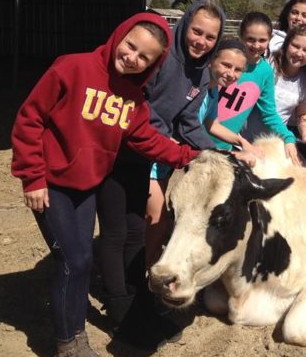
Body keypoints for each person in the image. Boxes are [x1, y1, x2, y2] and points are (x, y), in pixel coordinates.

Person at [11, 13, 199, 357]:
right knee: (73, 260)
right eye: (131, 46)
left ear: (153, 65)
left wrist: (188, 157)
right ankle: (66, 354)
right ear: (119, 36)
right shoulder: (72, 67)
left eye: (144, 57)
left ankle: (77, 342)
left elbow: (146, 138)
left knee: (80, 265)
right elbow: (29, 119)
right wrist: (32, 177)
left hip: (86, 187)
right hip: (52, 184)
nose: (132, 58)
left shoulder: (132, 98)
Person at [95, 37, 256, 339]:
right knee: (157, 221)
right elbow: (176, 123)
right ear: (212, 60)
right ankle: (144, 288)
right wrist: (211, 153)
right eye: (226, 65)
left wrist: (238, 143)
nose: (232, 73)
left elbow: (207, 125)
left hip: (169, 159)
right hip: (155, 154)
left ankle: (136, 285)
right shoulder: (186, 83)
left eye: (238, 69)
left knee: (149, 223)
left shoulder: (212, 90)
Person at [143, 0, 224, 268]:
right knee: (156, 216)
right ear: (185, 25)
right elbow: (139, 100)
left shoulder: (202, 74)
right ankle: (144, 270)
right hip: (142, 145)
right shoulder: (162, 57)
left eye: (210, 37)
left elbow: (189, 120)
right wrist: (159, 133)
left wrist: (215, 153)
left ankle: (144, 269)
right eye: (196, 31)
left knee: (150, 217)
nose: (201, 41)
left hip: (163, 152)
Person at [210, 11, 301, 165]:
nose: (256, 45)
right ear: (241, 36)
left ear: (270, 40)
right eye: (250, 39)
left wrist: (288, 137)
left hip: (225, 147)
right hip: (196, 137)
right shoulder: (224, 59)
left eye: (262, 40)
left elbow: (269, 113)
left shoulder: (265, 72)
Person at [244, 23, 306, 148]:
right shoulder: (267, 64)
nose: (299, 53)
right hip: (242, 136)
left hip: (272, 144)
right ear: (287, 43)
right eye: (295, 46)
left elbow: (302, 113)